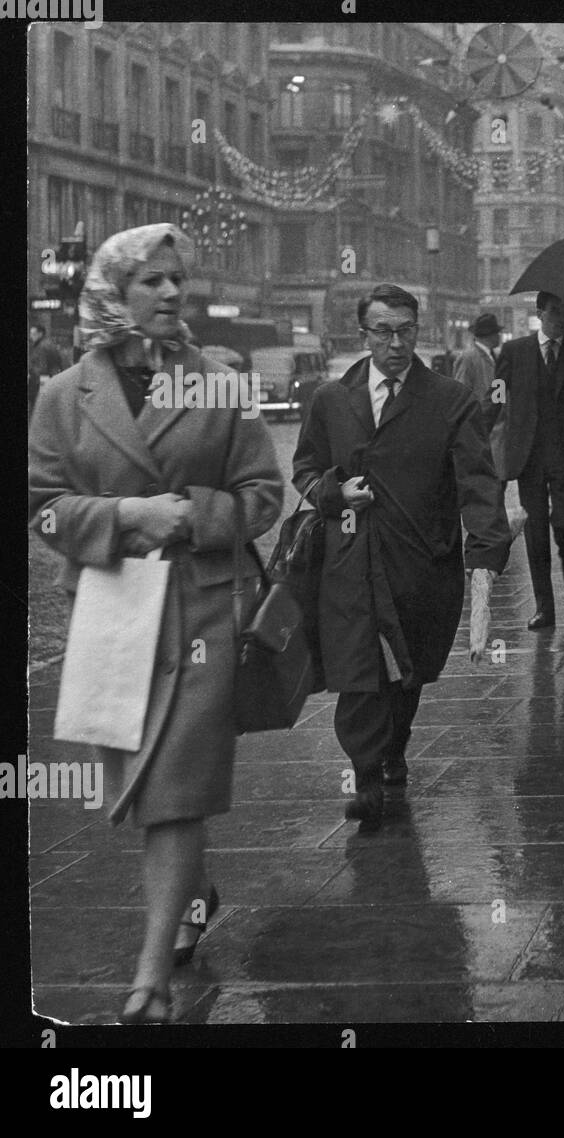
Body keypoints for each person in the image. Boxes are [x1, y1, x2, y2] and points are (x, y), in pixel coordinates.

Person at [28, 224, 283, 1023]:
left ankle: (149, 977)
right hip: (112, 616)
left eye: (178, 281)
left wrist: (192, 516)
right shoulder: (64, 396)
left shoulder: (218, 383)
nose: (173, 295)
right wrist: (124, 513)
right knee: (148, 793)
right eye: (153, 282)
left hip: (202, 607)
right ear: (113, 295)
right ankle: (193, 889)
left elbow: (262, 495)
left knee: (174, 794)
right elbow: (39, 513)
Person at [293, 284, 511, 832]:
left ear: (419, 331)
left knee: (408, 670)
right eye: (384, 332)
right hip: (351, 560)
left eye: (406, 331)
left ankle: (395, 745)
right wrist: (334, 493)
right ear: (363, 334)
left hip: (423, 562)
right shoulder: (331, 400)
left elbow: (478, 483)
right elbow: (306, 468)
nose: (396, 344)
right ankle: (365, 777)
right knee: (360, 670)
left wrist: (485, 550)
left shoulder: (449, 401)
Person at [484, 291, 564, 629]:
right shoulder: (515, 352)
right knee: (534, 531)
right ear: (539, 313)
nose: (560, 319)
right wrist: (476, 431)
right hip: (528, 456)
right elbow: (497, 395)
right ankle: (544, 606)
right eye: (554, 312)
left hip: (563, 454)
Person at [452, 312, 502, 407]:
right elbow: (461, 393)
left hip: (494, 417)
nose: (499, 336)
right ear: (491, 335)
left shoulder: (495, 356)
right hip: (479, 417)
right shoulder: (468, 358)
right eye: (497, 333)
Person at [28, 323, 64, 418]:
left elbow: (41, 368)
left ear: (40, 334)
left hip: (41, 381)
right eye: (30, 334)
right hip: (51, 379)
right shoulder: (48, 343)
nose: (31, 336)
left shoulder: (42, 346)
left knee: (38, 410)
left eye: (33, 334)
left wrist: (30, 371)